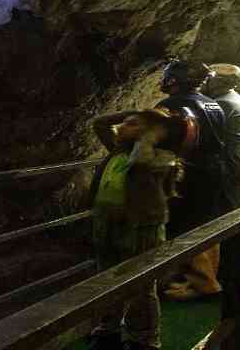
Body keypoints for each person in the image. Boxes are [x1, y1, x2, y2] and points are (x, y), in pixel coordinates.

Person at [88, 108, 185, 350]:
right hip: (108, 224)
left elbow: (140, 162)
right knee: (107, 281)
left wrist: (149, 135)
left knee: (141, 287)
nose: (121, 127)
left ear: (151, 134)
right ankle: (107, 330)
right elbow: (100, 123)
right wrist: (136, 114)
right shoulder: (119, 150)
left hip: (141, 229)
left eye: (131, 125)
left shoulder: (162, 157)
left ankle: (143, 339)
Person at [158, 59, 237, 301]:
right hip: (214, 170)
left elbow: (163, 140)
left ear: (175, 79)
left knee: (184, 227)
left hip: (189, 172)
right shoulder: (212, 104)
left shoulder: (173, 104)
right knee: (206, 226)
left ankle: (204, 284)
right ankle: (199, 279)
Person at [205, 64, 240, 197]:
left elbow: (209, 138)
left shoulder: (222, 103)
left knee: (218, 212)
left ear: (218, 81)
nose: (204, 82)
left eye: (207, 78)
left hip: (226, 165)